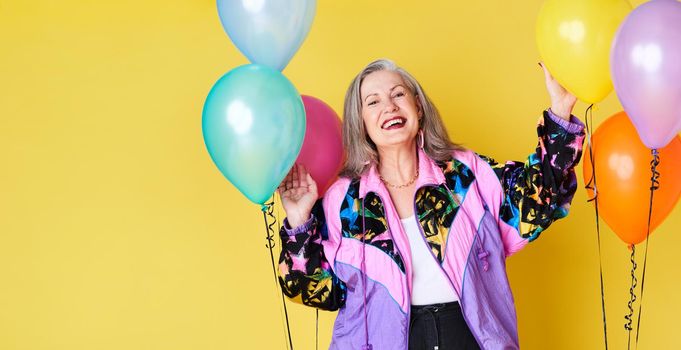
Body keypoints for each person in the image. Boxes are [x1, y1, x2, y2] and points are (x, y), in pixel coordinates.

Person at [276, 59, 585, 350]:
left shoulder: (465, 174)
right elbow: (315, 290)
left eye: (398, 94)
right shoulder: (343, 201)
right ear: (361, 123)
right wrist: (298, 219)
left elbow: (538, 200)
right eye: (373, 101)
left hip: (468, 337)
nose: (390, 106)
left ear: (418, 109)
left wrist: (561, 114)